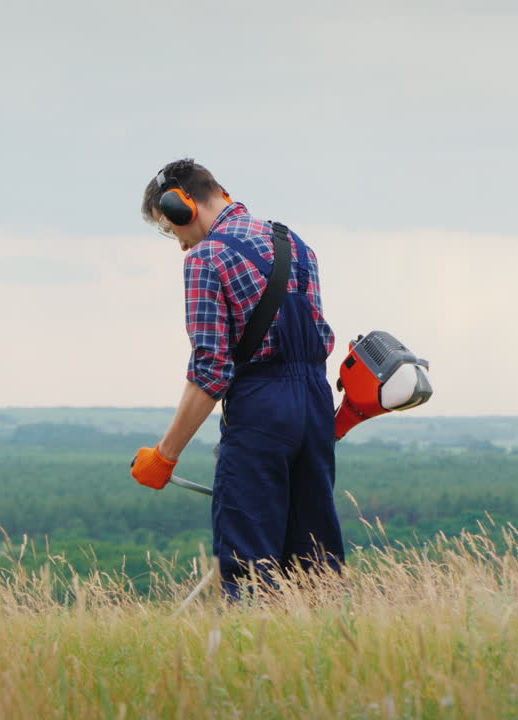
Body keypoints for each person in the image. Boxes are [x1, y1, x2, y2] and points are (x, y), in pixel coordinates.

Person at [129, 158, 344, 598]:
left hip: (262, 410)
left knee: (249, 566)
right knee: (315, 559)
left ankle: (252, 659)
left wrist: (165, 456)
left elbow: (211, 370)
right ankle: (324, 654)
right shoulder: (295, 243)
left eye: (172, 231)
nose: (181, 246)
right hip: (315, 407)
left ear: (182, 206)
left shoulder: (207, 258)